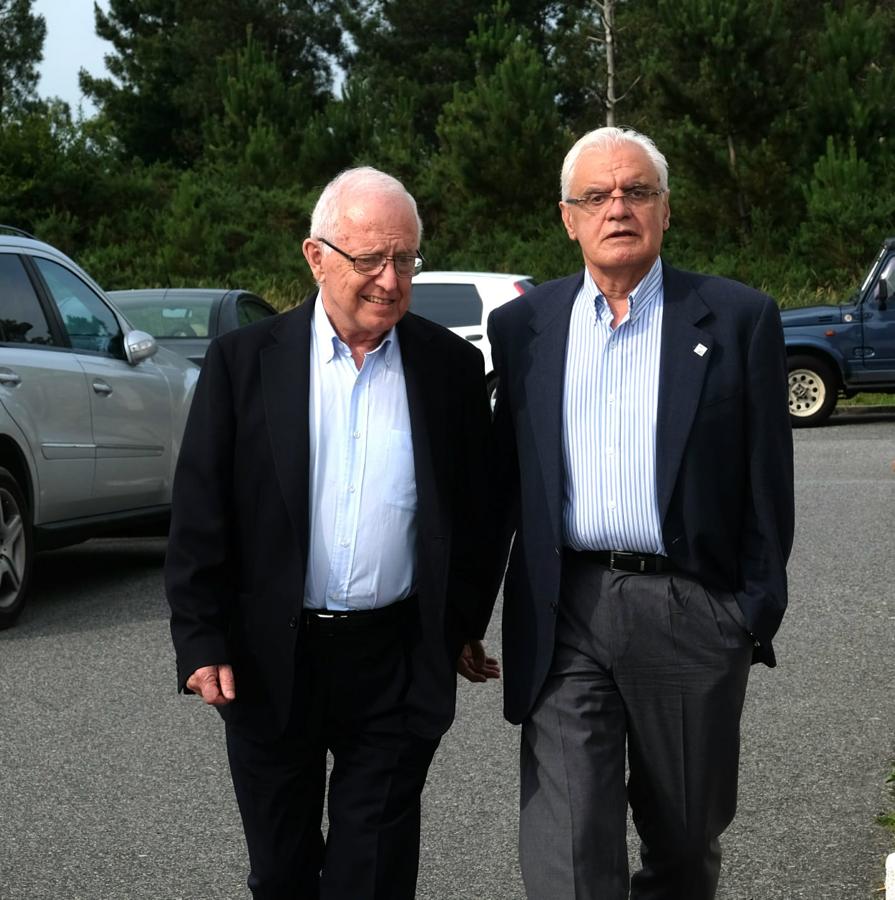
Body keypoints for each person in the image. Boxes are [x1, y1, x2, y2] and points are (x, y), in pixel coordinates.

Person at [165, 166, 498, 900]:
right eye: (370, 259)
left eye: (405, 259)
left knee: (371, 875)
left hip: (394, 660)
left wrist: (457, 626)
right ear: (316, 257)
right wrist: (200, 638)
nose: (390, 279)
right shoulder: (243, 364)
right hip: (268, 658)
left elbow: (477, 513)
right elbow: (199, 514)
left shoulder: (449, 368)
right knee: (281, 871)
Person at [487, 127, 794, 899]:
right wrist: (464, 610)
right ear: (567, 217)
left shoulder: (735, 318)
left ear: (664, 209)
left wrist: (747, 615)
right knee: (567, 850)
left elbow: (767, 486)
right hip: (567, 608)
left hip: (690, 608)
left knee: (683, 845)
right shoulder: (523, 328)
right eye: (596, 195)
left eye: (635, 192)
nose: (615, 207)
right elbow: (501, 483)